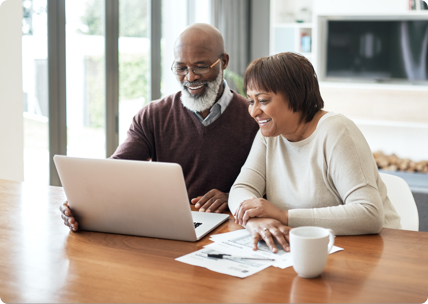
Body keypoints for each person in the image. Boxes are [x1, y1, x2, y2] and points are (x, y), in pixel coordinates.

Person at [60, 23, 259, 231]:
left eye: (200, 66)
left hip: (230, 231)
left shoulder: (254, 118)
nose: (190, 77)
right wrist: (81, 203)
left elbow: (273, 192)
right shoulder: (153, 115)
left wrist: (233, 197)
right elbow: (115, 172)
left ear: (224, 62)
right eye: (181, 68)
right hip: (168, 228)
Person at [229, 52, 401, 253]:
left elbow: (369, 214)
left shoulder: (336, 131)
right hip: (310, 247)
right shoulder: (269, 135)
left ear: (296, 97)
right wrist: (255, 222)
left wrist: (284, 216)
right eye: (251, 101)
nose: (254, 111)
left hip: (376, 249)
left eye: (263, 100)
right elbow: (241, 188)